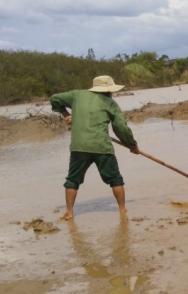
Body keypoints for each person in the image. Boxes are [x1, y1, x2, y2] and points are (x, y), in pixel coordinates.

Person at [50, 75, 140, 220]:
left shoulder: (76, 95)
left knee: (72, 180)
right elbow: (120, 127)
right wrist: (132, 145)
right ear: (109, 90)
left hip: (79, 147)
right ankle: (122, 210)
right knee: (115, 179)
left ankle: (69, 212)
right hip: (101, 146)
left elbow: (54, 98)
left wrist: (66, 113)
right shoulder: (111, 103)